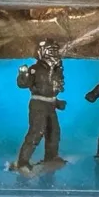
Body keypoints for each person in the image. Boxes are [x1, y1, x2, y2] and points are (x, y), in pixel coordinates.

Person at [15, 39, 66, 169]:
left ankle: (51, 157)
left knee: (53, 132)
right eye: (51, 51)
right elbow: (23, 84)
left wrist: (57, 102)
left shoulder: (57, 69)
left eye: (55, 51)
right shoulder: (35, 69)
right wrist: (23, 74)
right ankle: (23, 162)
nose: (54, 54)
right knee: (37, 132)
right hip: (38, 105)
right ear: (41, 52)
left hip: (50, 106)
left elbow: (52, 89)